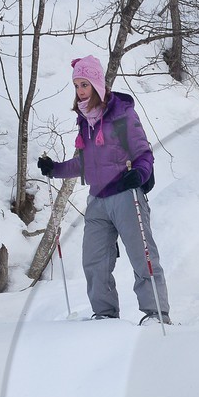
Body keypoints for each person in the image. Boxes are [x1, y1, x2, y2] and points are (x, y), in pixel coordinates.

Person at [38, 56, 170, 324]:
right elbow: (86, 163)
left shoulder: (122, 114)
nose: (80, 91)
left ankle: (156, 315)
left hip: (125, 195)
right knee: (94, 262)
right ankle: (105, 316)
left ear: (97, 84)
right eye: (76, 85)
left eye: (84, 84)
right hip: (97, 200)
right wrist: (55, 169)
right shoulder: (86, 121)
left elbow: (144, 153)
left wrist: (139, 174)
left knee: (142, 258)